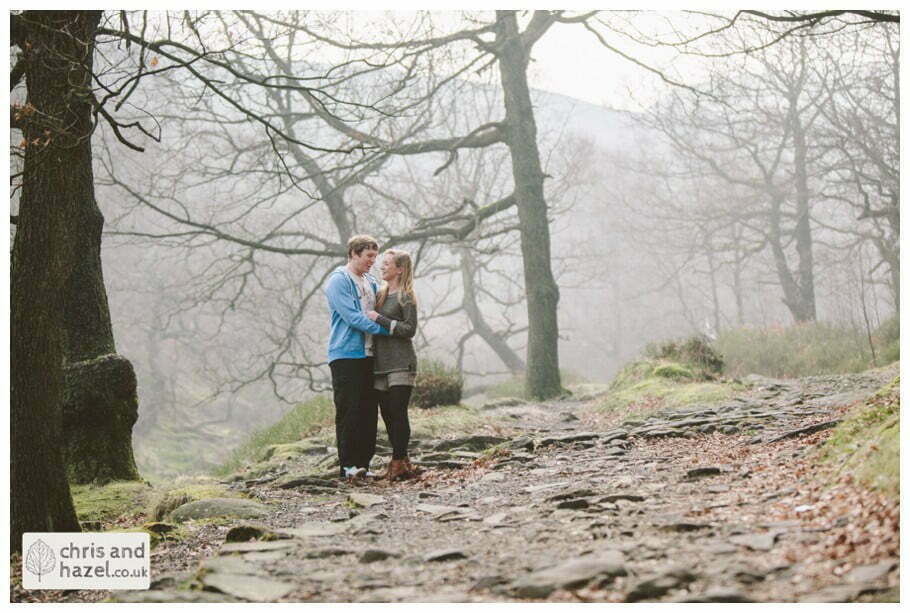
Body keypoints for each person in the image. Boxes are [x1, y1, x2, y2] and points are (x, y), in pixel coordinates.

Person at [324, 235, 397, 480]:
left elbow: (380, 310)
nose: (372, 262)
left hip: (370, 355)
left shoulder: (371, 282)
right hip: (346, 355)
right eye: (368, 257)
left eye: (375, 257)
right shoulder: (338, 281)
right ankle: (348, 467)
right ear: (354, 254)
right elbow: (353, 318)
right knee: (349, 410)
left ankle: (363, 464)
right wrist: (391, 330)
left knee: (368, 411)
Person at [367, 249, 420, 481]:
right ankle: (402, 460)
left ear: (399, 269)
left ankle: (397, 463)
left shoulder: (406, 296)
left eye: (387, 263)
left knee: (398, 412)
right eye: (382, 263)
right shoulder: (379, 294)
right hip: (379, 364)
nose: (382, 267)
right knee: (387, 414)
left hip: (401, 363)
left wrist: (380, 319)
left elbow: (409, 329)